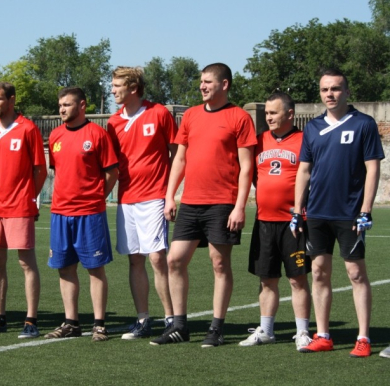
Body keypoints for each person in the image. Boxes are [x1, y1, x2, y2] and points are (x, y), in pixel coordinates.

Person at [152, 63, 257, 347]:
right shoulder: (191, 115)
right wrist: (170, 195)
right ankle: (179, 326)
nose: (202, 86)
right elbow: (180, 159)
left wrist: (239, 206)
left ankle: (216, 328)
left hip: (222, 203)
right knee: (174, 260)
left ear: (224, 85)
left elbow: (247, 167)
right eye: (201, 81)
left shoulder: (240, 117)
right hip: (191, 202)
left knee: (219, 263)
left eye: (208, 81)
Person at [292, 68, 384, 358]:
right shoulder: (312, 127)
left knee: (356, 273)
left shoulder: (364, 124)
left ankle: (363, 338)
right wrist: (297, 209)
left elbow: (372, 169)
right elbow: (304, 170)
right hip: (317, 213)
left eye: (335, 89)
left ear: (347, 92)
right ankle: (323, 335)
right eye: (324, 89)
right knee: (319, 272)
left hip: (350, 213)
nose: (329, 94)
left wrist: (366, 210)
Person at [238, 92, 312, 351]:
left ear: (290, 114)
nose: (268, 117)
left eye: (273, 113)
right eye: (267, 113)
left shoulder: (305, 140)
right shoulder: (259, 140)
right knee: (266, 279)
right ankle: (267, 330)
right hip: (264, 221)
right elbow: (253, 176)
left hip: (294, 222)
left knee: (297, 279)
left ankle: (302, 331)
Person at [106, 67, 176, 339]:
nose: (112, 90)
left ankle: (171, 319)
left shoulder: (159, 113)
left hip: (155, 196)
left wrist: (171, 194)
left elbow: (177, 154)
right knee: (135, 260)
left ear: (133, 88)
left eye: (117, 85)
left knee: (157, 258)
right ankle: (143, 320)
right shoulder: (113, 122)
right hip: (126, 199)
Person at [45, 87, 118, 342]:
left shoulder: (97, 134)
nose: (62, 109)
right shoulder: (55, 135)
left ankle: (99, 324)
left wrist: (97, 197)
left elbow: (111, 172)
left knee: (94, 269)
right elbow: (59, 170)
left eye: (67, 104)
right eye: (60, 105)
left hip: (89, 214)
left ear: (82, 105)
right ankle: (71, 322)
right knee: (64, 268)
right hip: (60, 213)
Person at [0, 82, 47, 338]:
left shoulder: (28, 129)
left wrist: (30, 198)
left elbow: (40, 170)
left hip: (20, 207)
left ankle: (31, 320)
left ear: (12, 100)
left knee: (26, 263)